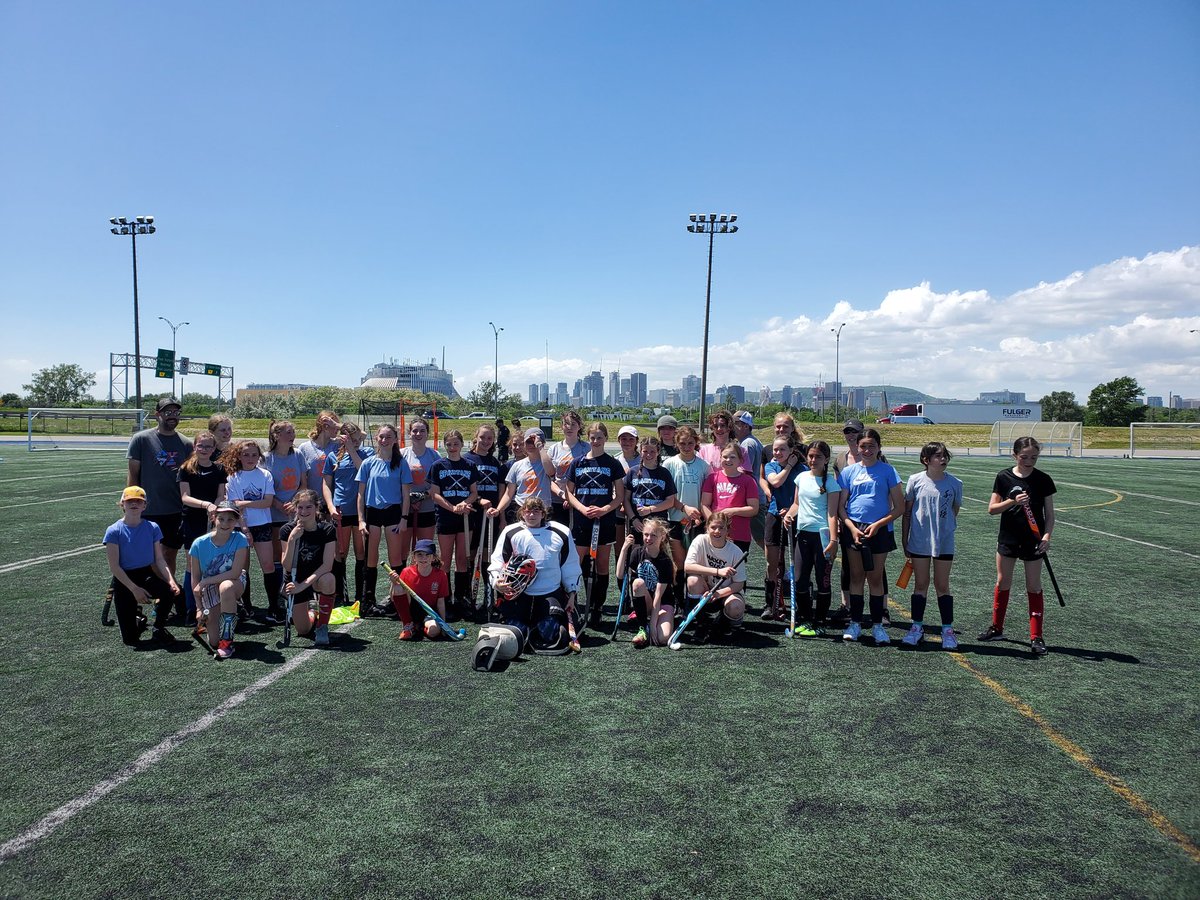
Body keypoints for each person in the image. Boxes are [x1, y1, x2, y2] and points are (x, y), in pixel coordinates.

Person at [979, 436, 1057, 656]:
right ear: (1014, 455)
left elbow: (1050, 515)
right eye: (1024, 457)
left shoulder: (1043, 480)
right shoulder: (1003, 477)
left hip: (1034, 540)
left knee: (1033, 586)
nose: (1029, 461)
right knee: (1003, 582)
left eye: (1034, 457)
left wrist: (1047, 537)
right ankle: (996, 628)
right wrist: (1012, 501)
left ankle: (1036, 636)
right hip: (1008, 538)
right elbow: (992, 509)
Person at [488, 497, 582, 655]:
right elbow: (497, 562)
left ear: (543, 513)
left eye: (536, 511)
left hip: (551, 592)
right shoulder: (511, 532)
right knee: (516, 632)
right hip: (519, 594)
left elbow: (570, 565)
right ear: (522, 513)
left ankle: (541, 625)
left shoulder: (561, 532)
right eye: (528, 511)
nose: (531, 515)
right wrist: (497, 582)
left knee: (550, 633)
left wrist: (572, 593)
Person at [837, 428, 903, 645]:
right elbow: (841, 508)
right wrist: (852, 528)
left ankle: (877, 626)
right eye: (862, 446)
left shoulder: (888, 471)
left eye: (871, 446)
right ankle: (855, 623)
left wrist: (877, 525)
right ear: (857, 446)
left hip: (879, 530)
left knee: (875, 579)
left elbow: (899, 507)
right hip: (854, 530)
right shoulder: (848, 472)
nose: (866, 450)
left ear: (878, 447)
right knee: (856, 577)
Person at [900, 442, 963, 650]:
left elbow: (955, 510)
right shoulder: (915, 481)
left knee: (942, 585)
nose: (943, 459)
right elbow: (908, 512)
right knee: (920, 584)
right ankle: (916, 628)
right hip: (919, 541)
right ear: (926, 460)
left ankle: (947, 630)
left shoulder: (955, 483)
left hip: (944, 542)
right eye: (937, 456)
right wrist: (905, 539)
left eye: (945, 455)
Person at [104, 486, 182, 646]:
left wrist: (171, 581)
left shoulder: (152, 527)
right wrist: (134, 589)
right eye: (129, 501)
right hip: (124, 579)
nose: (134, 504)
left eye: (138, 501)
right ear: (122, 504)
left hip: (145, 574)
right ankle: (138, 618)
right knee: (130, 640)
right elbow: (115, 567)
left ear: (144, 505)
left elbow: (159, 559)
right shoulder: (113, 531)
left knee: (168, 591)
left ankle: (159, 628)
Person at [565, 421, 626, 626]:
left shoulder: (613, 464)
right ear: (588, 439)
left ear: (605, 439)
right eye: (593, 437)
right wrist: (582, 509)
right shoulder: (578, 463)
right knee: (578, 562)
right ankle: (577, 604)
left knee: (601, 564)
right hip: (583, 520)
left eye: (600, 437)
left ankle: (597, 607)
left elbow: (619, 496)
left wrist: (605, 509)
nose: (596, 441)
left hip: (604, 520)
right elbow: (569, 493)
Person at [126, 396, 193, 577]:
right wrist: (131, 503)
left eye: (176, 412)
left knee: (168, 554)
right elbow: (133, 474)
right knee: (150, 556)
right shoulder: (141, 439)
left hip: (175, 510)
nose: (172, 416)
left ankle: (166, 597)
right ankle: (164, 592)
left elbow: (190, 477)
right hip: (149, 509)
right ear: (158, 414)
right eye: (167, 412)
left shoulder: (186, 444)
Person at [783, 440, 840, 636]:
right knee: (799, 579)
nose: (813, 460)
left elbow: (833, 514)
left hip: (823, 536)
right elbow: (797, 504)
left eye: (818, 457)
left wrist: (833, 540)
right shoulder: (800, 477)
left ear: (826, 459)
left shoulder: (831, 483)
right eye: (811, 456)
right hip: (803, 534)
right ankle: (806, 620)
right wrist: (789, 515)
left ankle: (820, 622)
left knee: (822, 580)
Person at [222, 438, 281, 623]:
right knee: (243, 570)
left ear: (259, 457)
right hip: (240, 527)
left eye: (254, 455)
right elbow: (235, 508)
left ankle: (273, 606)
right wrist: (246, 529)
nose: (250, 458)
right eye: (246, 454)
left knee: (268, 565)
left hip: (263, 525)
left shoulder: (265, 475)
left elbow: (268, 502)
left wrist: (246, 503)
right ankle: (246, 607)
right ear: (239, 456)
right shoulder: (233, 477)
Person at [356, 424, 412, 616]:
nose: (384, 440)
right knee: (370, 559)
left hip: (393, 513)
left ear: (395, 439)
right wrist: (361, 520)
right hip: (372, 513)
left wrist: (404, 518)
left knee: (395, 559)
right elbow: (361, 495)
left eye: (388, 437)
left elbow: (406, 494)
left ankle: (397, 600)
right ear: (377, 438)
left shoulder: (401, 463)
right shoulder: (368, 463)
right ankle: (368, 601)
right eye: (381, 436)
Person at [428, 429, 480, 618]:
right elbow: (434, 493)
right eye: (449, 444)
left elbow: (474, 492)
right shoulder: (438, 466)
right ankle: (445, 598)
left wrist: (465, 504)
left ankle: (461, 598)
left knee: (462, 559)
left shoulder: (469, 465)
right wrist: (452, 508)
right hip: (446, 516)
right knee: (445, 560)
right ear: (444, 445)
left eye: (455, 444)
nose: (452, 448)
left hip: (465, 517)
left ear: (462, 444)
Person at [188, 500, 249, 659]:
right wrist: (199, 608)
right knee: (213, 641)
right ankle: (227, 613)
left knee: (226, 587)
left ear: (236, 521)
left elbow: (235, 573)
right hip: (208, 587)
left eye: (230, 519)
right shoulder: (198, 544)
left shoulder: (240, 539)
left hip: (233, 582)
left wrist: (205, 582)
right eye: (221, 518)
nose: (225, 523)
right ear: (213, 518)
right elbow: (195, 579)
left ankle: (227, 642)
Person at [178, 430, 228, 623]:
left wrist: (215, 506)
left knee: (214, 564)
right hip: (192, 520)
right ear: (195, 447)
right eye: (201, 446)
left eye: (209, 446)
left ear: (214, 448)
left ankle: (214, 606)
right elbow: (185, 497)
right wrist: (205, 504)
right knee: (193, 566)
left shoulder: (219, 469)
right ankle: (192, 608)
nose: (205, 449)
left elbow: (221, 494)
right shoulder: (186, 469)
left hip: (213, 520)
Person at [322, 421, 371, 604]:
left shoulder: (367, 454)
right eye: (352, 439)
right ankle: (339, 596)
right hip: (340, 511)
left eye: (358, 439)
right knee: (339, 554)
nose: (356, 442)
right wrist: (330, 506)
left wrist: (352, 448)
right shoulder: (333, 457)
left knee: (361, 553)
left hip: (359, 511)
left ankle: (361, 596)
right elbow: (326, 484)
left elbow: (364, 472)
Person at [280, 489, 338, 646]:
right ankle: (313, 611)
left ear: (316, 507)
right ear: (295, 508)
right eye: (300, 507)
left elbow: (327, 565)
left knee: (329, 579)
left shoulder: (327, 530)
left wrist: (302, 586)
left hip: (316, 578)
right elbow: (286, 565)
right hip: (294, 579)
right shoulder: (286, 530)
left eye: (308, 507)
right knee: (303, 630)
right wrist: (292, 539)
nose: (304, 511)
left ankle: (322, 626)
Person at [662, 425, 710, 606]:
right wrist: (684, 508)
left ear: (696, 443)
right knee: (679, 564)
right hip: (675, 520)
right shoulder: (669, 464)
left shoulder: (704, 466)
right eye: (682, 443)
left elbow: (707, 496)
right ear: (676, 443)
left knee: (695, 564)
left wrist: (699, 515)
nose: (687, 446)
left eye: (690, 443)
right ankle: (679, 603)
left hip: (697, 522)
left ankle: (694, 602)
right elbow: (668, 497)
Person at [682, 512, 747, 641]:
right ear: (707, 527)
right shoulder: (700, 540)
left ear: (727, 529)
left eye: (721, 528)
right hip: (704, 590)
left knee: (736, 608)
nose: (717, 531)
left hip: (725, 593)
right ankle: (702, 623)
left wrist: (718, 593)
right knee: (693, 580)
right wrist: (717, 571)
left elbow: (739, 584)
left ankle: (721, 622)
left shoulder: (736, 552)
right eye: (713, 527)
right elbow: (688, 566)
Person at [761, 436, 803, 620]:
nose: (777, 453)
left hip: (796, 518)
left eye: (782, 450)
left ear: (791, 451)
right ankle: (771, 605)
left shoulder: (803, 470)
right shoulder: (772, 466)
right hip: (774, 516)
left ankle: (798, 605)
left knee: (798, 564)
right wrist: (788, 466)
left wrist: (791, 510)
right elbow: (776, 482)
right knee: (772, 564)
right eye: (775, 450)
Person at [616, 519, 675, 647]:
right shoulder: (637, 553)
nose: (648, 538)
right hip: (645, 601)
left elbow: (658, 597)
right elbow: (620, 575)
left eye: (653, 535)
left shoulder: (665, 561)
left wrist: (654, 626)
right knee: (637, 583)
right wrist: (624, 549)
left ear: (662, 537)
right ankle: (642, 628)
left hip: (663, 603)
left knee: (663, 639)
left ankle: (651, 624)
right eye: (646, 534)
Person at [464, 424, 504, 616]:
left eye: (490, 438)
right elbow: (466, 489)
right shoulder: (466, 459)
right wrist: (479, 500)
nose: (486, 441)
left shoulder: (496, 463)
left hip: (491, 515)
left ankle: (489, 598)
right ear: (476, 437)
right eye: (483, 437)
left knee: (489, 556)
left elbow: (500, 490)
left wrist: (501, 516)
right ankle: (470, 597)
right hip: (473, 512)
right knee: (471, 555)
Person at [264, 420, 305, 604]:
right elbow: (264, 489)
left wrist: (294, 503)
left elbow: (303, 484)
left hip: (296, 512)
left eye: (293, 432)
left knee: (296, 552)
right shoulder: (266, 458)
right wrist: (279, 504)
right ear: (277, 436)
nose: (292, 435)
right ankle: (280, 593)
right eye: (288, 432)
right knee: (278, 555)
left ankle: (297, 589)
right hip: (275, 513)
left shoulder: (298, 455)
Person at [700, 444, 759, 556]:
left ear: (740, 460)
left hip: (739, 534)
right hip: (716, 533)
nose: (728, 460)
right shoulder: (712, 478)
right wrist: (713, 523)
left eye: (732, 457)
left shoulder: (748, 481)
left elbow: (754, 509)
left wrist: (732, 511)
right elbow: (705, 504)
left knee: (735, 569)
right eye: (725, 457)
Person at [387, 538, 452, 640]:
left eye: (427, 555)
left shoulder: (441, 575)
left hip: (429, 612)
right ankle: (408, 625)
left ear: (433, 558)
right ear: (414, 558)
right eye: (420, 554)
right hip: (411, 611)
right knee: (398, 587)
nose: (423, 558)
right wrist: (393, 582)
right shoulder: (406, 572)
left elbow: (440, 602)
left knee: (434, 632)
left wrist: (443, 625)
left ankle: (418, 628)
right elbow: (393, 598)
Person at [400, 417, 440, 563]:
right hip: (405, 510)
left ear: (427, 433)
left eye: (422, 431)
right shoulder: (401, 454)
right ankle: (404, 580)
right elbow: (394, 481)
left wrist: (422, 496)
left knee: (425, 552)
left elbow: (437, 485)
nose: (418, 434)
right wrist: (409, 498)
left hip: (427, 510)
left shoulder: (435, 456)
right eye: (414, 431)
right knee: (402, 552)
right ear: (409, 433)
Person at [623, 436, 678, 544]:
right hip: (638, 524)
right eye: (645, 451)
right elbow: (626, 499)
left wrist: (650, 509)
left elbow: (670, 501)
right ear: (640, 451)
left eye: (652, 451)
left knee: (657, 556)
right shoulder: (632, 472)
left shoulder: (664, 473)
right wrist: (633, 519)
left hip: (658, 525)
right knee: (636, 556)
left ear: (658, 452)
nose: (648, 455)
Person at [493, 428, 555, 521]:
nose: (531, 445)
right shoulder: (517, 465)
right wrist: (498, 510)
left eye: (534, 442)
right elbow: (508, 494)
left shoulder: (547, 462)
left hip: (542, 511)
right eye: (528, 442)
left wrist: (540, 446)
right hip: (522, 509)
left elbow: (550, 472)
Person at [733, 410, 768, 551]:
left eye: (735, 424)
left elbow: (744, 470)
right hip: (757, 496)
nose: (732, 427)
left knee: (762, 538)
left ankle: (777, 569)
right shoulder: (752, 441)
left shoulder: (747, 444)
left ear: (745, 426)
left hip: (753, 498)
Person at [548, 410, 587, 526]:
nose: (569, 427)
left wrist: (572, 497)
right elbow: (549, 478)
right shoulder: (554, 449)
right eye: (566, 424)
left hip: (580, 500)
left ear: (579, 426)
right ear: (562, 426)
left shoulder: (587, 448)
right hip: (557, 500)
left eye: (573, 424)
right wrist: (562, 494)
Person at [297, 410, 341, 494]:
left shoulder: (338, 445)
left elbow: (360, 434)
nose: (338, 428)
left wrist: (337, 425)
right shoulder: (304, 448)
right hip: (312, 502)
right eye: (334, 425)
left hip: (332, 501)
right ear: (325, 426)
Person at [613, 425, 641, 549]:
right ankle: (620, 566)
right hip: (618, 507)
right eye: (624, 439)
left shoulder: (643, 460)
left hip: (637, 508)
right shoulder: (615, 460)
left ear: (636, 441)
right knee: (619, 543)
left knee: (636, 543)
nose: (627, 442)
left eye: (631, 439)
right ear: (619, 440)